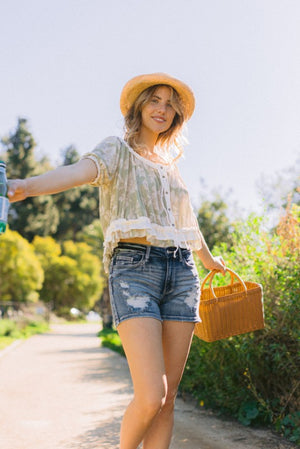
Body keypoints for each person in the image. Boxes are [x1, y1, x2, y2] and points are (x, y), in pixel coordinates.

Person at [8, 72, 226, 449]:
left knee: (169, 398)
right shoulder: (116, 151)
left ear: (176, 117)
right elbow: (76, 173)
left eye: (170, 105)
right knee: (151, 395)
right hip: (134, 271)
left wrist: (209, 260)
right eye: (155, 100)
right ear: (139, 105)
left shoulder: (170, 166)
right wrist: (26, 187)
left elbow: (187, 224)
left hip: (183, 274)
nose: (162, 109)